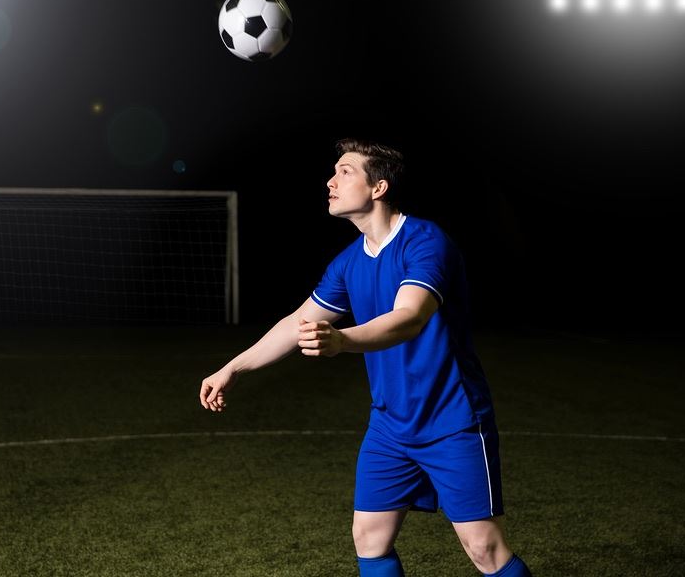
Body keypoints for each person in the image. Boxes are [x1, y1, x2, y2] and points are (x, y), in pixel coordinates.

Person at [198, 138, 532, 577]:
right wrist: (232, 368)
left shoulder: (425, 242)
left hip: (452, 420)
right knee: (369, 539)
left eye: (345, 171)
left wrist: (341, 341)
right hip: (390, 426)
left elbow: (409, 317)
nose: (331, 181)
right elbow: (295, 323)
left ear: (379, 187)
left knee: (484, 548)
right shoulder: (348, 262)